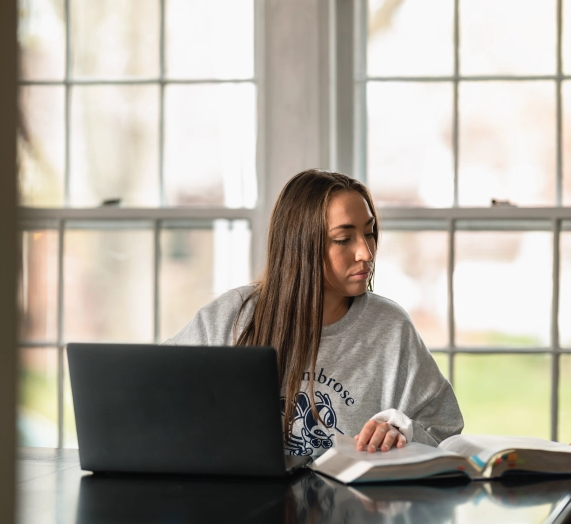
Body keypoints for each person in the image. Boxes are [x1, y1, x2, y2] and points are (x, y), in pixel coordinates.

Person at [165, 169, 463, 458]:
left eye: (369, 233)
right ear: (300, 245)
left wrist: (403, 434)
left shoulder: (391, 328)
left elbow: (446, 433)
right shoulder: (231, 317)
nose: (366, 253)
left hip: (358, 507)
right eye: (344, 239)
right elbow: (155, 396)